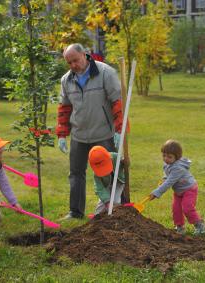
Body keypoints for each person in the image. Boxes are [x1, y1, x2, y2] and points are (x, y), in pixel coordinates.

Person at [55, 43, 125, 220]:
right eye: (69, 62)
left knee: (111, 171)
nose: (73, 65)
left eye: (75, 60)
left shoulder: (105, 73)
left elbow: (117, 103)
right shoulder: (66, 80)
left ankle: (120, 210)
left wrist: (119, 130)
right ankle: (75, 212)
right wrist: (62, 135)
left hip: (103, 133)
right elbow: (64, 108)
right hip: (79, 135)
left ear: (85, 55)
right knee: (76, 173)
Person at [148, 140, 205, 235]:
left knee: (187, 208)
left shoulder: (178, 168)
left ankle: (200, 225)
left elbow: (169, 182)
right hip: (179, 191)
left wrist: (156, 192)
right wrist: (164, 178)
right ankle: (179, 227)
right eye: (164, 155)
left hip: (189, 189)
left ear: (177, 157)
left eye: (169, 157)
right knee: (176, 209)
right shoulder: (168, 164)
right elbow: (167, 174)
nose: (166, 159)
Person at [88, 146, 125, 215]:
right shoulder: (96, 174)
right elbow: (100, 189)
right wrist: (107, 202)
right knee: (101, 206)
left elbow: (126, 165)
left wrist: (124, 161)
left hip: (118, 182)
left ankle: (118, 216)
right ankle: (97, 218)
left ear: (109, 158)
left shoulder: (116, 157)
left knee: (115, 201)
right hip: (105, 185)